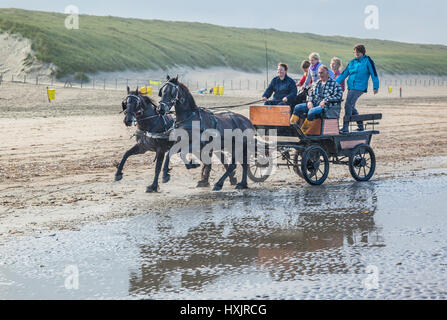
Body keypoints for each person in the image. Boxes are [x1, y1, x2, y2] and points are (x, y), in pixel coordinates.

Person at [336, 44, 379, 133]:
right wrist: (333, 82)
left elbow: (374, 74)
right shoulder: (352, 62)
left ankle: (345, 127)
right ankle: (360, 126)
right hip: (351, 87)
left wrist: (376, 86)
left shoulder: (368, 61)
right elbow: (344, 74)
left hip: (360, 87)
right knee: (351, 106)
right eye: (355, 53)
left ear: (363, 52)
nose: (356, 54)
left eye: (358, 53)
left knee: (348, 105)